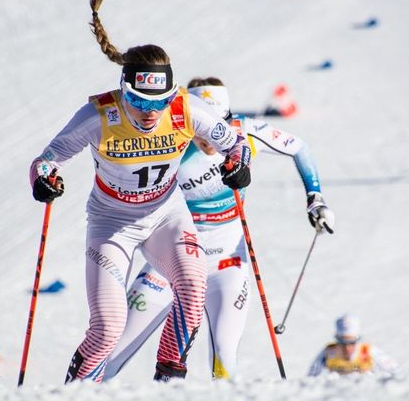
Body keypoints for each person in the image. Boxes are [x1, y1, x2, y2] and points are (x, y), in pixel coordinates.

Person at [28, 0, 252, 383]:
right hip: (112, 223)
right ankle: (72, 400)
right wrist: (44, 178)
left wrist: (238, 165)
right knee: (108, 329)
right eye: (140, 102)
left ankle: (167, 382)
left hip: (166, 215)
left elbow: (234, 143)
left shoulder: (185, 109)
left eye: (159, 102)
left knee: (192, 290)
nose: (151, 113)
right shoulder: (99, 115)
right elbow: (48, 158)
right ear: (124, 91)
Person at [102, 77, 335, 381]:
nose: (211, 140)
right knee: (110, 355)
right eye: (203, 128)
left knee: (224, 358)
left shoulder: (244, 132)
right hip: (170, 263)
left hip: (226, 264)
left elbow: (300, 148)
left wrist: (314, 198)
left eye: (220, 125)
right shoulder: (167, 140)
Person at [308, 313, 398, 376]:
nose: (347, 347)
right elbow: (311, 379)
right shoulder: (329, 352)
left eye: (351, 343)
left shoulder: (367, 351)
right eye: (342, 343)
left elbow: (396, 372)